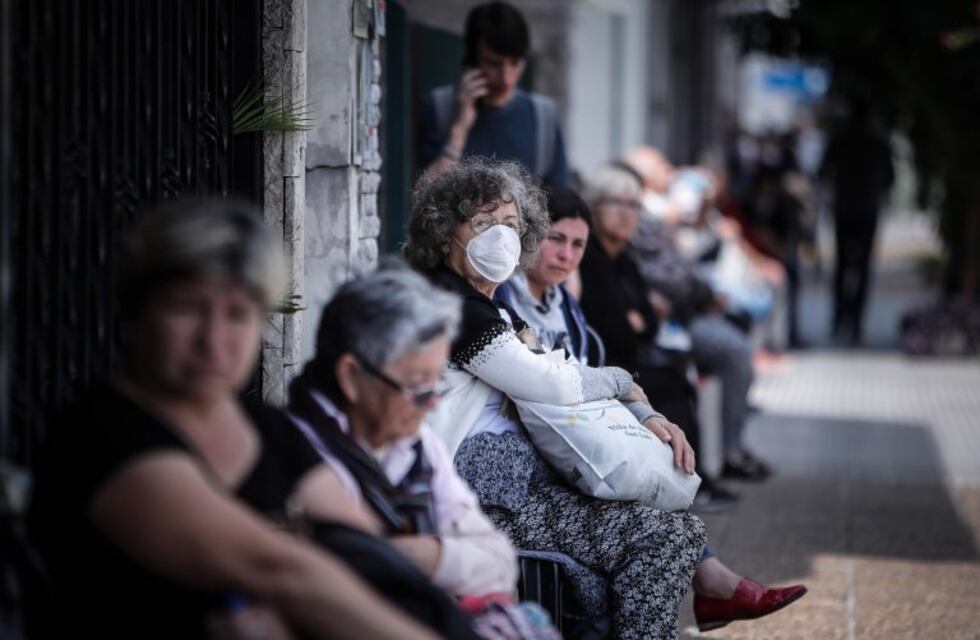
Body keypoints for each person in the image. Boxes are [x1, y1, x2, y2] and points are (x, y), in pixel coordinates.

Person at [27, 199, 448, 640]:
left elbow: (367, 554)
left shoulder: (268, 428)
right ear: (136, 313)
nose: (212, 341)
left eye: (238, 315)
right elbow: (276, 569)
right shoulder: (102, 433)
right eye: (186, 308)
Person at [405, 157, 707, 639]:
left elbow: (560, 365)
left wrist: (643, 409)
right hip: (483, 498)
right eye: (482, 223)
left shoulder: (491, 308)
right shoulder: (455, 308)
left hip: (521, 487)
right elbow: (552, 385)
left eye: (510, 223)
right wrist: (621, 382)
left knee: (674, 526)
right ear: (446, 232)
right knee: (666, 534)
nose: (500, 235)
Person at [526, 186, 807, 632]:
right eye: (555, 239)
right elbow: (587, 364)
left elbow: (622, 341)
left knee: (667, 413)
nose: (566, 254)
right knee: (672, 518)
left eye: (577, 244)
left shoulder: (561, 302)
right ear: (528, 236)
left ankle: (714, 579)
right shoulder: (517, 309)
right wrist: (629, 388)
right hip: (550, 450)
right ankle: (715, 582)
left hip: (582, 427)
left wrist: (646, 414)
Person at [286, 265, 519, 598]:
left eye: (436, 383)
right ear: (352, 377)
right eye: (418, 387)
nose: (433, 404)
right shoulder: (295, 451)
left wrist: (422, 555)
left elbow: (501, 564)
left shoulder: (418, 446)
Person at [621, 150, 774, 481]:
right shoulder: (647, 216)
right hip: (673, 320)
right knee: (732, 352)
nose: (670, 170)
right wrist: (701, 297)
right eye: (662, 167)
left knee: (737, 331)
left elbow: (676, 270)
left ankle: (731, 443)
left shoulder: (657, 213)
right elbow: (666, 278)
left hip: (681, 312)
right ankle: (728, 453)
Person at [417, 1, 570, 187]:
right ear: (473, 59)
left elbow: (561, 200)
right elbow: (424, 194)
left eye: (515, 63)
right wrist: (459, 130)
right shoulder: (439, 108)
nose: (506, 78)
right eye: (494, 63)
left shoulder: (543, 116)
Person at [820, 102, 894, 343]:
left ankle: (841, 317)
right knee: (862, 268)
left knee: (842, 267)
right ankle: (856, 320)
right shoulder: (877, 143)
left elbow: (824, 172)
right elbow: (889, 178)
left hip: (845, 209)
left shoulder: (840, 141)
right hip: (866, 210)